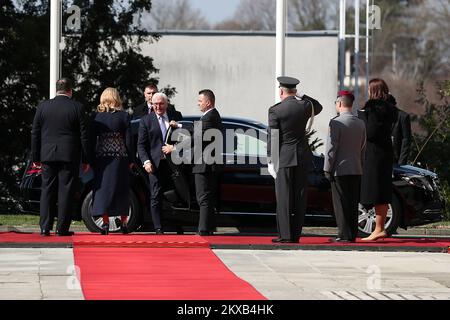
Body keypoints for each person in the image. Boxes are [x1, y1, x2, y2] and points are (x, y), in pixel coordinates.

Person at [268, 76, 323, 243]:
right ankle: (296, 235)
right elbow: (318, 106)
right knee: (300, 196)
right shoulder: (305, 106)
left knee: (284, 197)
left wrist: (271, 160)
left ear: (281, 91)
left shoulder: (276, 110)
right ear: (295, 90)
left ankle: (285, 235)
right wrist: (302, 96)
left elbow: (274, 137)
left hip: (284, 157)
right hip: (302, 156)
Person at [31, 78, 89, 236]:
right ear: (70, 90)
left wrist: (35, 157)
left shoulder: (43, 106)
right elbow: (84, 136)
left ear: (57, 89)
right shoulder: (77, 107)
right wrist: (86, 159)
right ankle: (62, 228)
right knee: (66, 191)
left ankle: (45, 227)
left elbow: (35, 133)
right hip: (69, 156)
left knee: (47, 190)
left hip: (47, 155)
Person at [89, 88, 134, 235]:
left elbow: (91, 140)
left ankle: (106, 223)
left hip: (102, 158)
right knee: (121, 189)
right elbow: (129, 140)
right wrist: (131, 159)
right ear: (117, 98)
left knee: (103, 190)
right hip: (120, 157)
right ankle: (125, 222)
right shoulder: (124, 116)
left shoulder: (96, 116)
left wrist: (89, 159)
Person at [324, 91, 366, 243]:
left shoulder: (335, 122)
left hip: (339, 169)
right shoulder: (360, 122)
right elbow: (363, 148)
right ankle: (352, 234)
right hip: (356, 168)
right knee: (353, 202)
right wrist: (360, 164)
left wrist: (327, 168)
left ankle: (343, 234)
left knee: (340, 203)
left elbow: (331, 149)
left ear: (340, 103)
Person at [358, 78, 398, 241]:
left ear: (373, 91)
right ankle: (379, 228)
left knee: (375, 190)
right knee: (382, 190)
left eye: (369, 89)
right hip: (386, 152)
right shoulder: (391, 108)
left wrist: (362, 120)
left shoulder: (373, 108)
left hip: (374, 153)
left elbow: (372, 131)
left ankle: (379, 228)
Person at [137, 92, 182, 234]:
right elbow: (141, 145)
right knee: (155, 195)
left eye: (161, 104)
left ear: (166, 104)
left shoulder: (175, 117)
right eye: (155, 104)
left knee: (177, 194)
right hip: (155, 164)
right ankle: (158, 227)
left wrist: (178, 126)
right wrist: (146, 162)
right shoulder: (146, 121)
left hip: (174, 164)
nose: (158, 107)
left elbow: (186, 138)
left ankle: (178, 225)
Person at [192, 89, 223, 236]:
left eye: (200, 101)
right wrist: (179, 127)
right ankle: (209, 228)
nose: (198, 103)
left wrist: (174, 147)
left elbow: (195, 137)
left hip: (204, 164)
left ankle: (203, 229)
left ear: (208, 102)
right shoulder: (212, 116)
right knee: (208, 198)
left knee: (203, 198)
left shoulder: (208, 118)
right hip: (210, 164)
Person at [388, 94, 412, 165]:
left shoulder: (403, 117)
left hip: (397, 159)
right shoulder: (380, 117)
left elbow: (406, 141)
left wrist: (401, 162)